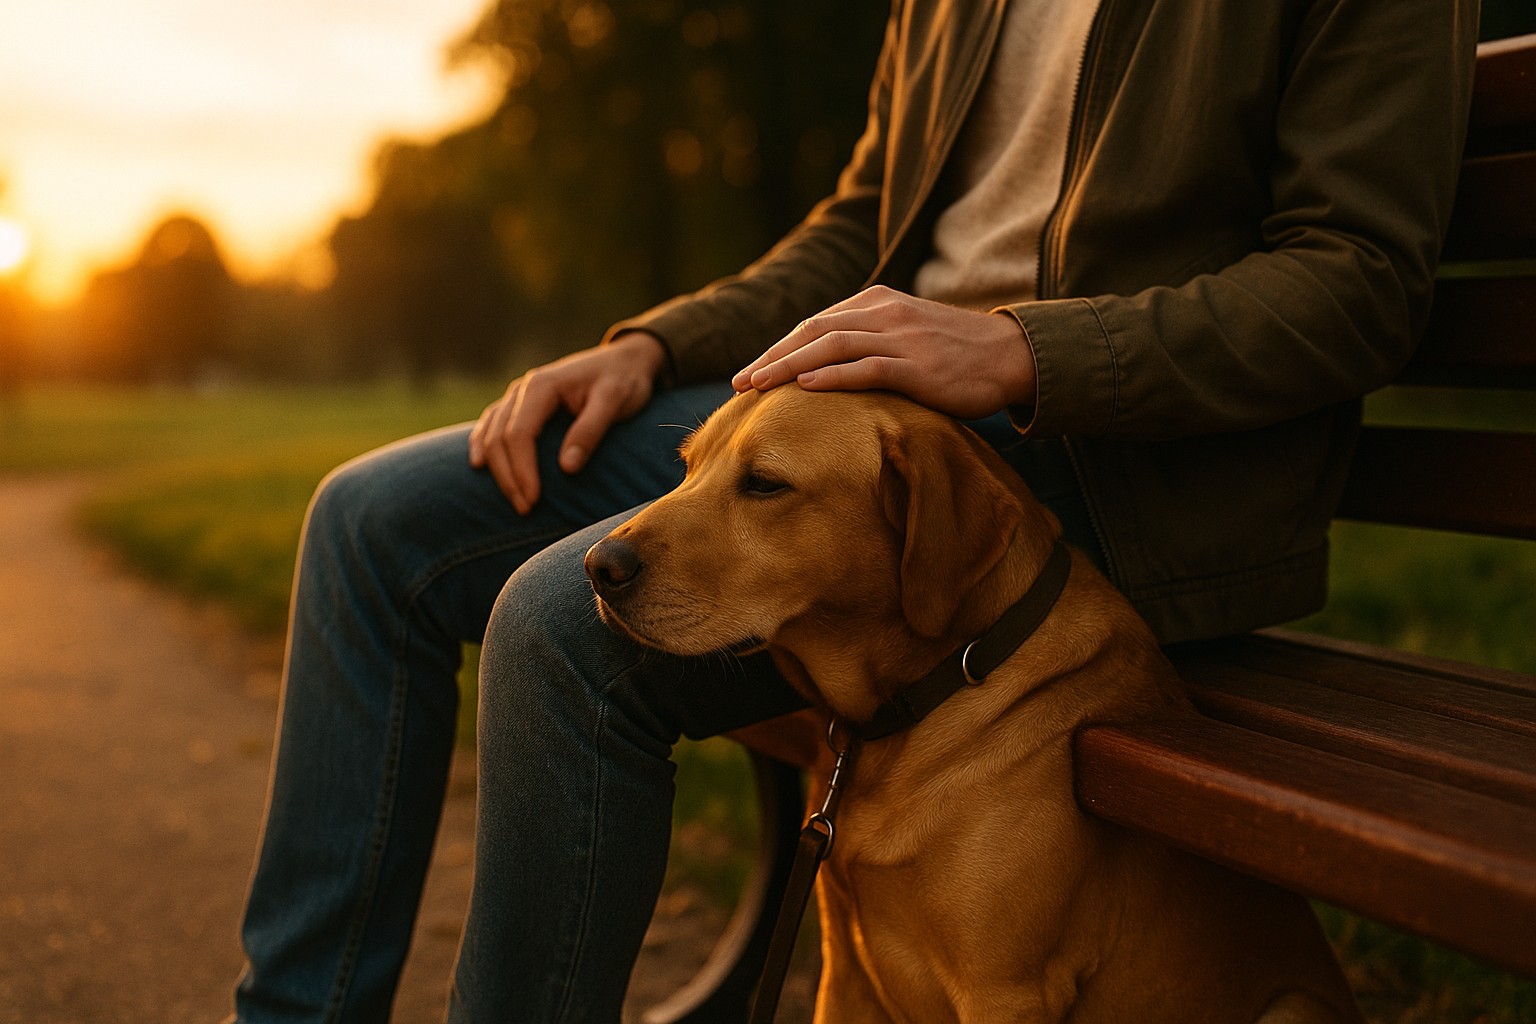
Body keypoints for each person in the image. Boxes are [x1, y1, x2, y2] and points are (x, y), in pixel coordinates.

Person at [227, 0, 1478, 1020]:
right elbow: (862, 231)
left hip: (1100, 449)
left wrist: (1017, 352)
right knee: (369, 521)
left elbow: (1359, 282)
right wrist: (657, 349)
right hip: (840, 404)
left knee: (561, 625)